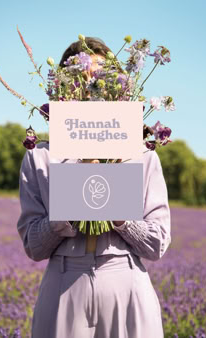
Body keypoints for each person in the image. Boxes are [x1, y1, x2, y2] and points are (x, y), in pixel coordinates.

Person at [17, 37, 171, 338]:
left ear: (120, 85)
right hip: (63, 285)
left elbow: (157, 245)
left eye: (101, 75)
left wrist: (117, 212)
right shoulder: (41, 155)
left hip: (126, 282)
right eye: (78, 76)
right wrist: (68, 210)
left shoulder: (141, 153)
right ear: (61, 86)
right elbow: (33, 247)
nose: (91, 85)